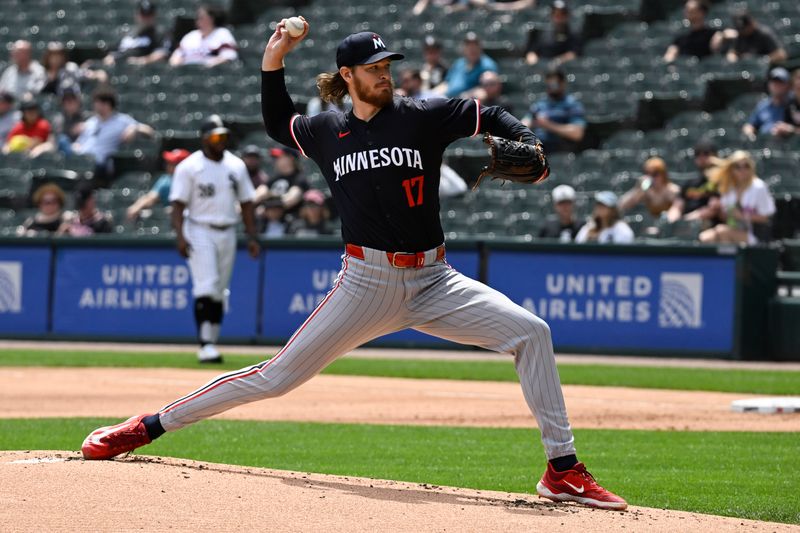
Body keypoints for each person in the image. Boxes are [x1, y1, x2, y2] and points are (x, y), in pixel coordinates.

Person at [80, 22, 628, 512]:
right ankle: (146, 426)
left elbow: (486, 113)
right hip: (366, 282)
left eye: (389, 66)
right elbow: (276, 121)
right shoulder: (325, 131)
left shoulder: (421, 115)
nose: (386, 75)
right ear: (348, 75)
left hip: (436, 279)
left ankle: (562, 471)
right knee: (274, 378)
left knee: (533, 333)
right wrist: (274, 57)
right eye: (374, 68)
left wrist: (524, 138)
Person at [168, 115, 259, 363]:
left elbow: (247, 203)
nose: (222, 141)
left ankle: (212, 342)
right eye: (216, 136)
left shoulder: (235, 166)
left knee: (219, 291)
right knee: (206, 285)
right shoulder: (189, 166)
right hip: (198, 228)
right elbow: (177, 205)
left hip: (227, 230)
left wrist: (252, 237)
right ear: (204, 138)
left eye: (224, 136)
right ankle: (205, 343)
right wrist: (180, 237)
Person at [71, 86, 155, 182]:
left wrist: (134, 128)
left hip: (100, 166)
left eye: (98, 102)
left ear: (107, 104)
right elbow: (80, 143)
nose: (95, 105)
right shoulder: (91, 122)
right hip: (82, 161)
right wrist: (75, 146)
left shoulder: (121, 120)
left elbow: (149, 131)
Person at [699, 150, 775, 245]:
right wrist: (718, 208)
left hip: (757, 234)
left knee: (723, 232)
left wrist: (742, 216)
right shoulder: (729, 188)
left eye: (746, 166)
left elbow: (765, 218)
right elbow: (727, 218)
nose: (742, 170)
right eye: (738, 167)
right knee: (703, 238)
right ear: (732, 169)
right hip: (735, 229)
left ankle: (734, 260)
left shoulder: (759, 187)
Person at [522, 68, 585, 152]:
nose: (550, 88)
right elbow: (525, 123)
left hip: (560, 149)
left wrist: (548, 125)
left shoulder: (572, 104)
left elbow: (577, 133)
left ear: (563, 83)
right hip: (537, 148)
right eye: (548, 85)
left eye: (554, 85)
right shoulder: (540, 104)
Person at [126, 148, 191, 222]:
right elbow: (150, 197)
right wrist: (136, 207)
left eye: (172, 164)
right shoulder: (166, 180)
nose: (168, 166)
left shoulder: (193, 181)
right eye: (168, 163)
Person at [666, 139, 721, 223]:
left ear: (716, 156)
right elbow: (677, 206)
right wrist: (670, 222)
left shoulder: (721, 183)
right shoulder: (689, 183)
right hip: (686, 225)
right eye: (698, 154)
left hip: (709, 226)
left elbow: (712, 209)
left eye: (706, 153)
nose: (702, 158)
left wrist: (685, 221)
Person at [103, 0, 170, 67]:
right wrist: (110, 57)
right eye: (143, 14)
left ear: (154, 16)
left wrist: (142, 61)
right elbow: (115, 51)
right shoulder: (127, 34)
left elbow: (162, 54)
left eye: (149, 15)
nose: (146, 18)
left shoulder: (159, 35)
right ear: (137, 15)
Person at [169, 5, 238, 67]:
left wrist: (207, 66)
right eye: (197, 17)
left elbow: (229, 56)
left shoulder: (222, 33)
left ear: (212, 18)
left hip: (211, 75)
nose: (198, 20)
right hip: (188, 73)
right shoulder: (191, 36)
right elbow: (175, 57)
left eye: (201, 17)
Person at [435, 32, 498, 98]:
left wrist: (465, 96)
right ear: (464, 48)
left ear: (480, 47)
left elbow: (486, 89)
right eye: (468, 45)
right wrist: (432, 93)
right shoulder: (459, 63)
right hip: (448, 99)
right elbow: (446, 84)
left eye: (475, 45)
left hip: (466, 102)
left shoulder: (487, 65)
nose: (472, 48)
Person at [525, 1, 581, 66]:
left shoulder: (573, 34)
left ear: (567, 16)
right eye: (556, 14)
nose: (559, 18)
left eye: (562, 14)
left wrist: (558, 61)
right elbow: (532, 51)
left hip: (563, 70)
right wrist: (532, 58)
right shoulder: (542, 32)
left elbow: (574, 53)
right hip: (542, 67)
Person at [742, 67, 791, 141]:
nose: (776, 85)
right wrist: (750, 134)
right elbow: (749, 125)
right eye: (773, 81)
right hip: (763, 145)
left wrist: (789, 130)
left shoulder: (793, 105)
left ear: (787, 85)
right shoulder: (763, 105)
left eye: (780, 82)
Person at [260, 147, 309, 219]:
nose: (275, 160)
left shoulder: (299, 178)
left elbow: (291, 199)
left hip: (290, 222)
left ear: (290, 159)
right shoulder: (274, 178)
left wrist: (266, 207)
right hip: (269, 221)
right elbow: (258, 194)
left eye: (279, 157)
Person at [721, 11, 787, 64]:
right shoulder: (740, 34)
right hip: (746, 69)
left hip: (763, 70)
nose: (742, 31)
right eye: (741, 29)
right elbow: (734, 51)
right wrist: (732, 56)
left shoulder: (764, 33)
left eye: (744, 28)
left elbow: (781, 54)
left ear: (751, 23)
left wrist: (762, 60)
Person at [47, 88, 89, 154]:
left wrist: (86, 127)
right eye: (65, 101)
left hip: (82, 151)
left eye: (71, 100)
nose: (68, 104)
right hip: (62, 154)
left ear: (78, 102)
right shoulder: (58, 120)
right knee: (62, 140)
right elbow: (52, 141)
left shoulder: (87, 118)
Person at [772, 68, 800, 138]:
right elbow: (786, 125)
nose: (799, 83)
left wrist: (792, 130)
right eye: (797, 79)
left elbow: (791, 129)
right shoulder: (790, 103)